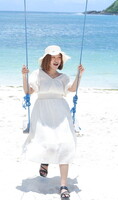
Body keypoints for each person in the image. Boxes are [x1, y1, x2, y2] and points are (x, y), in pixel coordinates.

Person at [21, 45, 85, 199]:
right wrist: (24, 76)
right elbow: (28, 92)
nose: (57, 60)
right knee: (47, 143)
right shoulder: (37, 74)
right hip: (42, 111)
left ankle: (63, 185)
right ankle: (45, 161)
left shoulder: (63, 77)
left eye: (59, 58)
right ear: (47, 60)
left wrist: (79, 75)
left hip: (61, 111)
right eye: (53, 57)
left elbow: (71, 89)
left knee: (65, 144)